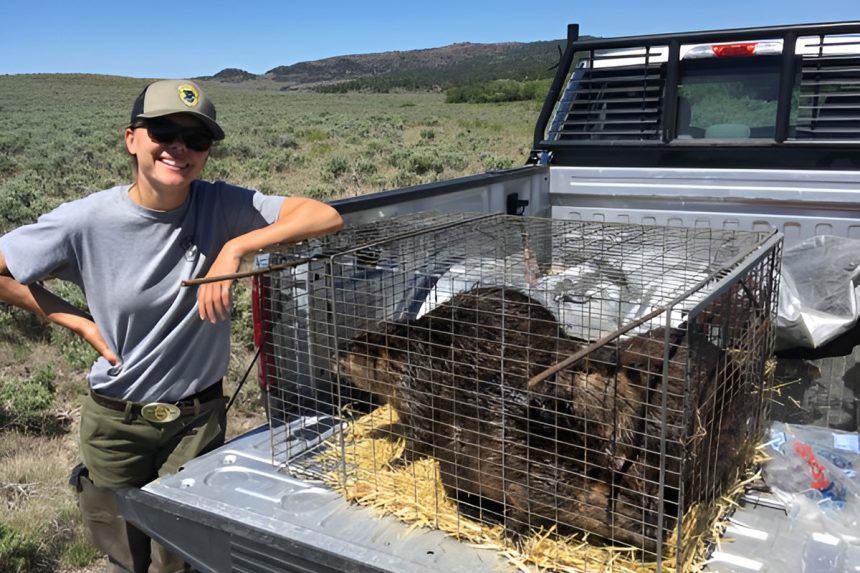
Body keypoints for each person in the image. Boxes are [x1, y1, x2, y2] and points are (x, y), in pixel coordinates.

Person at [0, 79, 343, 572]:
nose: (179, 148)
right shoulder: (85, 221)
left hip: (197, 419)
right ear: (132, 139)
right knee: (122, 552)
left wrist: (235, 248)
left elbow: (324, 215)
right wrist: (75, 320)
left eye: (196, 139)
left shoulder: (220, 204)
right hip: (117, 420)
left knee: (184, 555)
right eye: (163, 131)